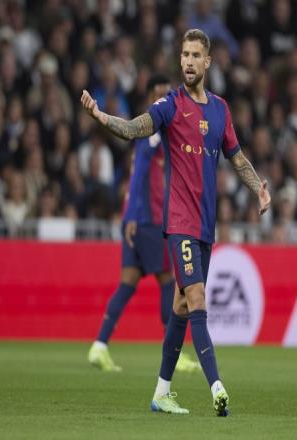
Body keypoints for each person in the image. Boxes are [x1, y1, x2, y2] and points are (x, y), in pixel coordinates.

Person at [81, 29, 271, 417]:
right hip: (179, 223)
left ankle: (161, 393)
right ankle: (217, 387)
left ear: (208, 62)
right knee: (197, 297)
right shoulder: (170, 105)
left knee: (182, 305)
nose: (188, 61)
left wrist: (259, 189)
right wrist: (101, 116)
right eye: (184, 54)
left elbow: (237, 158)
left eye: (195, 55)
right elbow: (133, 128)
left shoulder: (220, 109)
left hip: (205, 226)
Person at [87, 74, 200, 374]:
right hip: (149, 219)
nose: (165, 98)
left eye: (167, 93)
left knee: (127, 283)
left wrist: (128, 215)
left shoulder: (155, 132)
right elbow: (138, 176)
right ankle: (174, 353)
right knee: (169, 282)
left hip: (135, 218)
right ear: (151, 96)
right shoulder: (154, 134)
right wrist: (135, 216)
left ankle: (99, 345)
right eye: (159, 93)